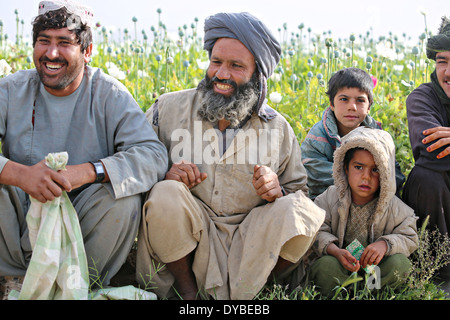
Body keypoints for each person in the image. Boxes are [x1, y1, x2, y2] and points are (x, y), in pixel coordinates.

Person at [135, 12, 325, 300]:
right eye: (216, 62)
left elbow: (299, 193)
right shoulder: (169, 109)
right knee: (165, 194)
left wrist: (278, 190)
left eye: (236, 66)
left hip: (251, 239)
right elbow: (137, 162)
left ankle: (256, 291)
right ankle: (189, 296)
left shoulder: (277, 127)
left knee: (302, 212)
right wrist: (165, 174)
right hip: (190, 234)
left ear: (256, 74)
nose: (222, 74)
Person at [0, 0, 168, 297]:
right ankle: (13, 280)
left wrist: (90, 172)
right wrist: (19, 175)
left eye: (64, 43)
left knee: (123, 198)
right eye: (43, 42)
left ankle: (79, 283)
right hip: (19, 227)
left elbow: (152, 156)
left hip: (82, 221)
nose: (51, 53)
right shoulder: (11, 90)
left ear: (87, 51)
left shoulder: (109, 94)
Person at [308, 126, 418, 297]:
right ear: (345, 167)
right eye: (358, 167)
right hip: (341, 268)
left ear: (386, 173)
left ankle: (371, 292)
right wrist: (335, 251)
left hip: (376, 271)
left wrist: (385, 245)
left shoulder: (394, 206)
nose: (366, 177)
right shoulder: (330, 198)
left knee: (401, 264)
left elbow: (410, 237)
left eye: (375, 170)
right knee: (324, 267)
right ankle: (344, 292)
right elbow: (316, 229)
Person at [300, 67, 405, 199]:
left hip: (371, 200)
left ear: (369, 107)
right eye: (344, 99)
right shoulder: (318, 137)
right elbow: (316, 177)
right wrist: (359, 182)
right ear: (332, 104)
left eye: (360, 100)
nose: (352, 107)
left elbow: (393, 173)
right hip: (327, 202)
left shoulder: (377, 134)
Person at [402, 16, 450, 286]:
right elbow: (432, 153)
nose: (448, 71)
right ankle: (439, 274)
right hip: (443, 198)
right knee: (424, 177)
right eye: (442, 61)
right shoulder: (422, 98)